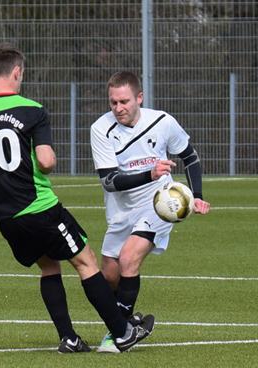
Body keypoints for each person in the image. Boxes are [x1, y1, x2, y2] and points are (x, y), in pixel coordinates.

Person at [0, 43, 154, 353]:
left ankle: (68, 337)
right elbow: (47, 162)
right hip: (39, 207)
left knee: (49, 267)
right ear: (17, 72)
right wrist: (47, 154)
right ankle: (122, 332)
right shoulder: (32, 110)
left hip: (5, 216)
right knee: (86, 261)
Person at [90, 71, 211, 353]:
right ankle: (129, 320)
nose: (118, 108)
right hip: (121, 210)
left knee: (129, 259)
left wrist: (198, 196)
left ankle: (119, 334)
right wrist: (150, 172)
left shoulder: (162, 121)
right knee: (109, 275)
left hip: (159, 204)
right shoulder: (101, 129)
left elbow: (190, 157)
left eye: (124, 101)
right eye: (113, 103)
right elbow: (110, 182)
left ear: (139, 98)